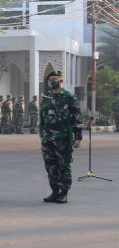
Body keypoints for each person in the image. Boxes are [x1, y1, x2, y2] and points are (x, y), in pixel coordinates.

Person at [38, 68, 82, 204]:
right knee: (50, 166)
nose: (51, 82)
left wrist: (78, 137)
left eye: (54, 80)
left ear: (61, 81)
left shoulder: (69, 97)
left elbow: (77, 117)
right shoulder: (46, 96)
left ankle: (64, 193)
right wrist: (42, 136)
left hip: (63, 137)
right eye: (50, 80)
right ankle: (54, 191)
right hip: (47, 137)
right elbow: (42, 117)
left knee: (64, 165)